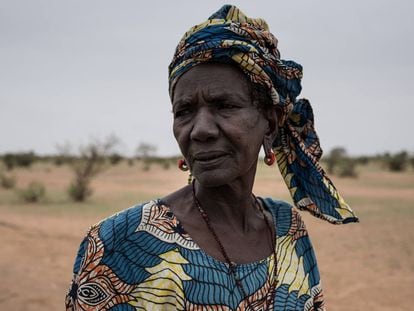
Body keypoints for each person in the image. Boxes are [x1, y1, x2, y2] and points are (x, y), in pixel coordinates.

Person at [65, 5, 358, 310]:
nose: (200, 130)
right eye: (185, 111)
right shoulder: (119, 242)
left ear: (269, 125)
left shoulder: (288, 229)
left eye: (224, 105)